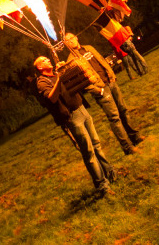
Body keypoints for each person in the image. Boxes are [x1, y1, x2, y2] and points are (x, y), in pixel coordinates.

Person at [34, 55, 114, 197]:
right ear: (40, 67)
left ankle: (110, 173)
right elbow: (51, 98)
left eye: (47, 58)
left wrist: (65, 70)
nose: (48, 60)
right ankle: (102, 185)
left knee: (96, 144)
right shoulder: (42, 82)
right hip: (71, 117)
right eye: (44, 60)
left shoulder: (56, 75)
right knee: (88, 151)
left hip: (81, 108)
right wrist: (59, 78)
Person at [64, 33, 144, 156]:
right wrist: (97, 90)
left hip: (110, 82)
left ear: (76, 37)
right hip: (101, 89)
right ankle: (127, 147)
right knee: (114, 118)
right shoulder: (71, 60)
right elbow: (80, 82)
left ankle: (135, 136)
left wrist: (111, 74)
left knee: (123, 110)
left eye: (71, 38)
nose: (70, 41)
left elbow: (101, 60)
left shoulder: (88, 48)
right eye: (67, 41)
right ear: (66, 45)